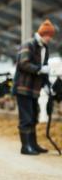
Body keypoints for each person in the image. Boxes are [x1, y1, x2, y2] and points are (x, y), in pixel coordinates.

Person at [12, 19, 55, 155]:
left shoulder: (45, 48)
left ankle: (33, 144)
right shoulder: (29, 44)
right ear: (42, 34)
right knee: (26, 117)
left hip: (35, 89)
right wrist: (39, 69)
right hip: (23, 87)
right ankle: (25, 147)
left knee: (34, 115)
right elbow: (23, 63)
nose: (50, 38)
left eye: (51, 35)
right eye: (48, 35)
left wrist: (47, 85)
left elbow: (45, 68)